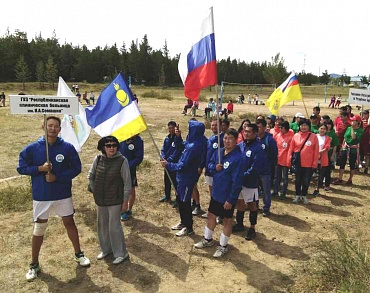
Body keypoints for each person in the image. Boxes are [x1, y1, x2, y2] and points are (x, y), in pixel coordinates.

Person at [17, 116, 90, 281]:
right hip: (42, 196)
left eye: (56, 126)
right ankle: (34, 264)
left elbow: (76, 168)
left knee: (69, 222)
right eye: (49, 126)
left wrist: (58, 177)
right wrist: (40, 169)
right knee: (39, 229)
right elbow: (21, 168)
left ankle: (79, 254)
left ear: (60, 129)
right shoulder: (32, 148)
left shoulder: (67, 148)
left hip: (62, 194)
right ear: (43, 126)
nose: (52, 129)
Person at [194, 128, 244, 257]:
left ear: (236, 141)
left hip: (227, 196)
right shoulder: (219, 152)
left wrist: (231, 199)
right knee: (211, 215)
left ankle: (223, 246)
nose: (227, 141)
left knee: (227, 220)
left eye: (230, 139)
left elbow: (237, 182)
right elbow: (209, 164)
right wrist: (214, 167)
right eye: (225, 138)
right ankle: (207, 239)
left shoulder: (238, 158)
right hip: (216, 193)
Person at [88, 136, 132, 265]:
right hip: (100, 199)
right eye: (108, 145)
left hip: (115, 199)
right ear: (103, 147)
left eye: (114, 145)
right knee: (102, 225)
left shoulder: (122, 161)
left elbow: (127, 183)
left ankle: (121, 253)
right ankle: (106, 249)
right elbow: (91, 176)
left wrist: (125, 201)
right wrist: (95, 190)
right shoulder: (98, 158)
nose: (111, 148)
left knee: (114, 227)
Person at [161, 120, 205, 237]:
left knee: (185, 202)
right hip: (182, 177)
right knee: (180, 200)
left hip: (187, 178)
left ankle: (188, 227)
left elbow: (182, 164)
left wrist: (168, 165)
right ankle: (183, 222)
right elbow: (183, 145)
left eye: (190, 129)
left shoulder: (195, 146)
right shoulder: (193, 142)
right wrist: (179, 137)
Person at [232, 123, 263, 240]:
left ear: (255, 133)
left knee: (251, 204)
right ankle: (239, 224)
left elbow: (255, 167)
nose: (246, 134)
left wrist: (243, 176)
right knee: (240, 202)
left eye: (249, 132)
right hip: (239, 181)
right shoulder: (240, 145)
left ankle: (252, 228)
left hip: (250, 182)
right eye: (245, 131)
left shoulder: (258, 148)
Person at [287, 118, 319, 204]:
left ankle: (304, 195)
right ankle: (297, 195)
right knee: (298, 180)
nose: (303, 127)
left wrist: (314, 163)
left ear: (309, 126)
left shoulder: (313, 136)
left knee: (306, 180)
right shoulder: (296, 136)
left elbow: (316, 151)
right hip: (298, 162)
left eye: (305, 125)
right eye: (302, 125)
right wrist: (289, 160)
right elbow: (291, 149)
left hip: (309, 164)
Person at [202, 119, 224, 219]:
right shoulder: (210, 139)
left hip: (218, 171)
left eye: (216, 125)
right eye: (213, 125)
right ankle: (212, 211)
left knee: (219, 192)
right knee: (212, 193)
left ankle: (220, 213)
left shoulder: (223, 139)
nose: (214, 127)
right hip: (209, 170)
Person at [119, 134, 144, 221]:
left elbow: (139, 158)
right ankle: (121, 208)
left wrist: (127, 165)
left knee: (130, 190)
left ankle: (128, 210)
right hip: (119, 168)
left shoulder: (138, 141)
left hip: (130, 170)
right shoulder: (122, 137)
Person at [334, 115, 364, 185]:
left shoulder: (360, 130)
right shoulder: (348, 128)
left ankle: (350, 179)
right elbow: (345, 137)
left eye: (353, 120)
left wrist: (353, 129)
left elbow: (354, 138)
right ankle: (340, 178)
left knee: (352, 164)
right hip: (346, 147)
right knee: (342, 162)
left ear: (357, 122)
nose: (352, 122)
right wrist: (342, 146)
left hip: (353, 149)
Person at [256, 119, 278, 216]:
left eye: (260, 127)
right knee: (255, 189)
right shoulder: (254, 139)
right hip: (255, 170)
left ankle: (266, 208)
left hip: (266, 171)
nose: (258, 129)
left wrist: (269, 166)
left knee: (266, 190)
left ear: (265, 128)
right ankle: (255, 206)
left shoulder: (270, 140)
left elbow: (274, 155)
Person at [159, 121, 183, 204]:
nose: (171, 130)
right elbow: (163, 150)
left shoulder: (178, 139)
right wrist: (162, 157)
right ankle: (167, 196)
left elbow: (177, 151)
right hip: (166, 164)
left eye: (172, 128)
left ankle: (177, 198)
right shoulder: (167, 139)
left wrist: (168, 160)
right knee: (167, 181)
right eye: (169, 128)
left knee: (175, 182)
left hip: (173, 164)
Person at [273, 121, 294, 199]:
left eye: (282, 128)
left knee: (285, 177)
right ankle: (275, 191)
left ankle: (283, 192)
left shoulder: (291, 137)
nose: (280, 129)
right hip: (278, 159)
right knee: (277, 177)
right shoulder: (278, 136)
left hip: (286, 160)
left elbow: (291, 149)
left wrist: (289, 159)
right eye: (279, 127)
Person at [312, 124, 331, 196]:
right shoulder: (314, 136)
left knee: (320, 175)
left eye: (324, 129)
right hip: (314, 159)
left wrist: (319, 152)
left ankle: (317, 189)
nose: (322, 130)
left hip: (323, 159)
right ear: (318, 129)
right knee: (313, 174)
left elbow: (327, 147)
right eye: (321, 128)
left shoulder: (327, 138)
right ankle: (313, 187)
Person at [325, 120, 340, 189]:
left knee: (328, 169)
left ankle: (327, 184)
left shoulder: (333, 134)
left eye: (329, 124)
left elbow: (335, 145)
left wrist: (333, 155)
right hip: (321, 154)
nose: (328, 126)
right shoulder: (321, 133)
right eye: (326, 124)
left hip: (329, 153)